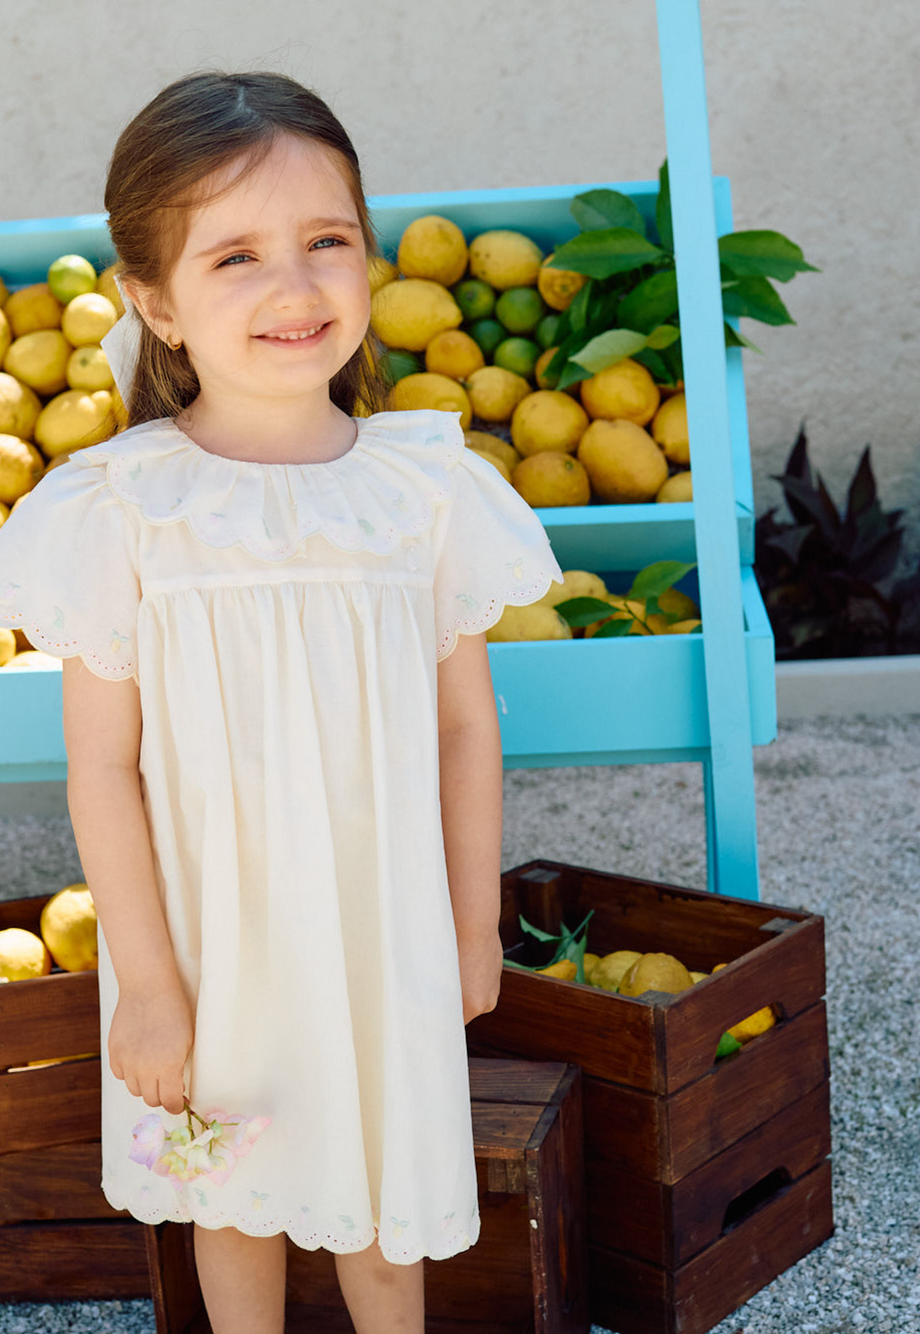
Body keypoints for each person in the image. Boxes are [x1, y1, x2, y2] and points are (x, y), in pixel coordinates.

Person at [0, 70, 564, 1334]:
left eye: (326, 241)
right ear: (155, 299)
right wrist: (145, 982)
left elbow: (466, 726)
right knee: (234, 1200)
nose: (294, 286)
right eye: (236, 255)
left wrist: (472, 920)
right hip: (210, 944)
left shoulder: (419, 486)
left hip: (384, 929)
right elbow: (102, 767)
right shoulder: (123, 505)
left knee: (383, 1204)